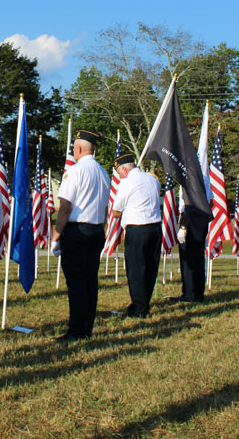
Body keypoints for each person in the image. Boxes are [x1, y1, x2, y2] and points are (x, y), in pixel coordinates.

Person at [51, 129, 110, 341]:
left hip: (77, 231)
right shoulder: (103, 173)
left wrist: (56, 233)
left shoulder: (74, 172)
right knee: (89, 281)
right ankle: (87, 327)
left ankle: (76, 330)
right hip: (96, 229)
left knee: (76, 282)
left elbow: (65, 206)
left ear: (78, 149)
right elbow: (105, 208)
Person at [109, 153, 162, 317]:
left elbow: (117, 210)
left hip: (137, 228)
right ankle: (143, 302)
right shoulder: (153, 179)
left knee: (136, 269)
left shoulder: (126, 183)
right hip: (155, 227)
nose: (119, 176)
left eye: (119, 173)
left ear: (124, 169)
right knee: (150, 268)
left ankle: (139, 308)